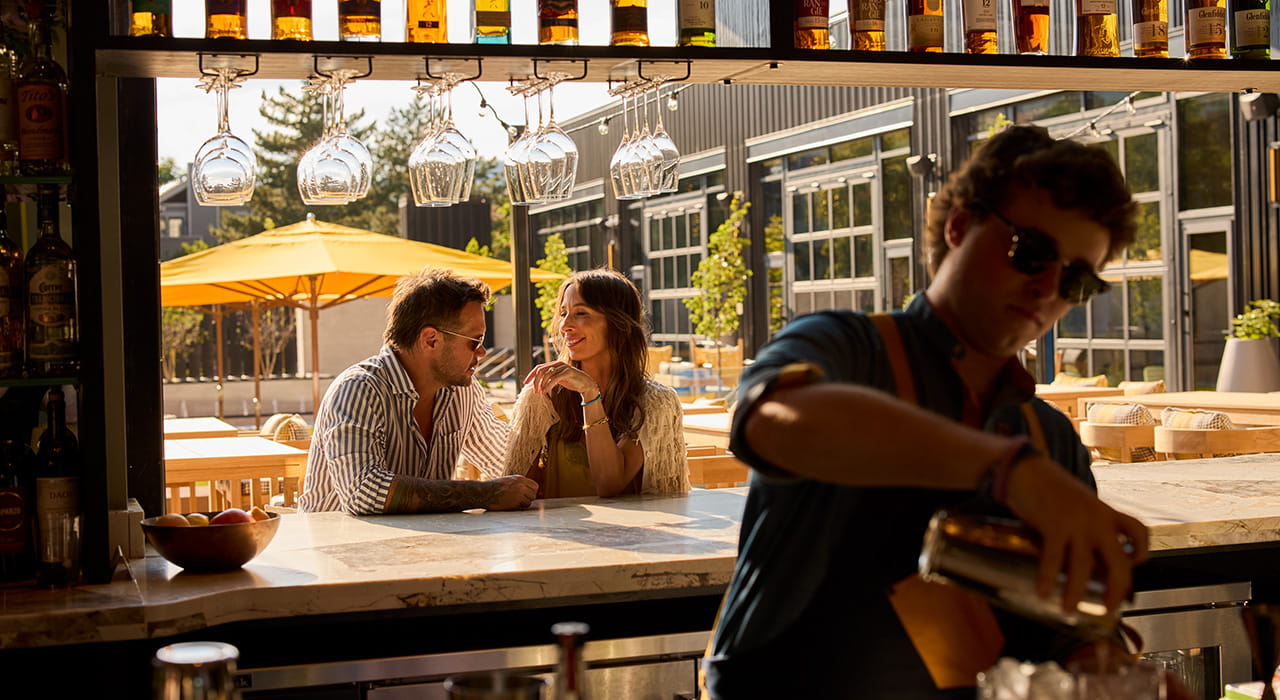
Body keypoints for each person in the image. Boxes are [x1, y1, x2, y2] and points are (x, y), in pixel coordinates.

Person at [703, 125, 1156, 699]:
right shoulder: (848, 348)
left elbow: (1069, 620)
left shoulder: (1049, 438)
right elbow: (769, 419)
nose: (1047, 287)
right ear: (961, 226)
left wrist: (1104, 661)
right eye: (1032, 251)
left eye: (1076, 278)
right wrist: (1006, 471)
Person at [298, 269, 538, 515]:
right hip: (336, 549)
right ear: (431, 340)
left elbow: (509, 462)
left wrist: (572, 401)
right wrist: (484, 493)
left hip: (420, 548)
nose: (482, 352)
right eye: (474, 342)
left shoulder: (461, 391)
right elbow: (363, 493)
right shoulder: (359, 389)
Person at [501, 269, 689, 498]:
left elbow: (610, 484)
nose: (565, 326)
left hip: (635, 533)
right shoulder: (543, 396)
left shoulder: (655, 402)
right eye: (563, 313)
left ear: (617, 323)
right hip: (559, 531)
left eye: (580, 313)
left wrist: (590, 394)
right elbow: (514, 489)